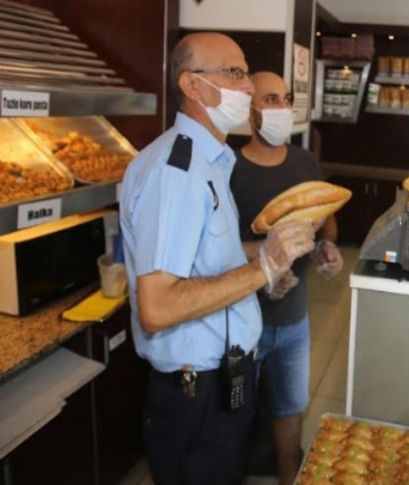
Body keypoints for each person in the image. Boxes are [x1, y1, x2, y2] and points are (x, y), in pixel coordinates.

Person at [119, 34, 316, 485]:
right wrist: (260, 268)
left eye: (245, 73)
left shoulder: (211, 162)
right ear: (192, 86)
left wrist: (266, 258)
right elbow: (159, 306)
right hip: (195, 395)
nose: (246, 88)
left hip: (222, 380)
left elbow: (208, 256)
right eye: (234, 73)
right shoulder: (178, 172)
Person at [230, 71, 344, 485]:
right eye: (270, 99)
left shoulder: (304, 162)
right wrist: (262, 272)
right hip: (243, 323)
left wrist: (325, 249)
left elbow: (324, 223)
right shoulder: (230, 169)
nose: (281, 108)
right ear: (250, 110)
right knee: (236, 419)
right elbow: (218, 250)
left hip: (294, 320)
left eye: (286, 99)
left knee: (290, 412)